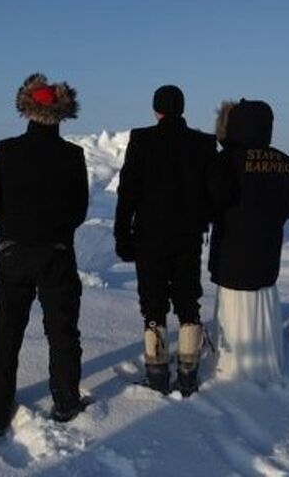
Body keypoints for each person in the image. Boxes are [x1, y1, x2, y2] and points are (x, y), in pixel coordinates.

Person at [0, 73, 88, 436]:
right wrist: (54, 233)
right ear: (61, 113)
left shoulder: (6, 150)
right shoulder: (73, 155)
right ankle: (67, 401)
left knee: (6, 331)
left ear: (27, 110)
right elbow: (79, 209)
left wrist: (16, 228)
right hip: (57, 253)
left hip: (13, 253)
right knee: (62, 330)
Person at [114, 85, 216, 396]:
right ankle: (188, 376)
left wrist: (122, 232)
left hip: (150, 235)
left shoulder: (142, 139)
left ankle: (157, 376)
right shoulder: (203, 143)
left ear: (156, 110)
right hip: (188, 235)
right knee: (188, 301)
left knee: (153, 304)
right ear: (182, 108)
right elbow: (213, 192)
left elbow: (128, 190)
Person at [207, 99, 289, 384]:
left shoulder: (225, 160)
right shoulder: (287, 163)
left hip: (231, 248)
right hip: (267, 249)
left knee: (233, 307)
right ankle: (266, 362)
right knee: (263, 301)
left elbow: (214, 200)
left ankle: (231, 365)